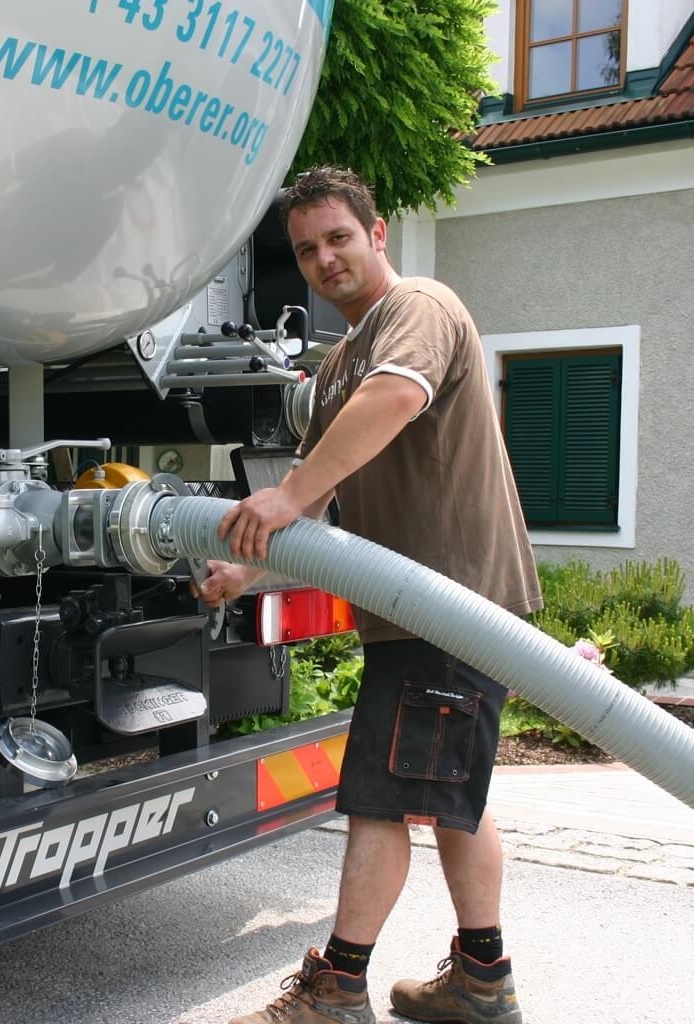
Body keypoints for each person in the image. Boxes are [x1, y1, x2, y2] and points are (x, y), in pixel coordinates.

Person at [198, 166, 540, 1024]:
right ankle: (480, 978)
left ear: (377, 233)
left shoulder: (416, 308)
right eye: (307, 249)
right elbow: (318, 507)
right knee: (455, 797)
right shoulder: (341, 362)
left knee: (381, 797)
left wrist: (282, 496)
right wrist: (249, 568)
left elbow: (394, 400)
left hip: (448, 604)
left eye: (338, 238)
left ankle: (336, 990)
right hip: (421, 610)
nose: (323, 259)